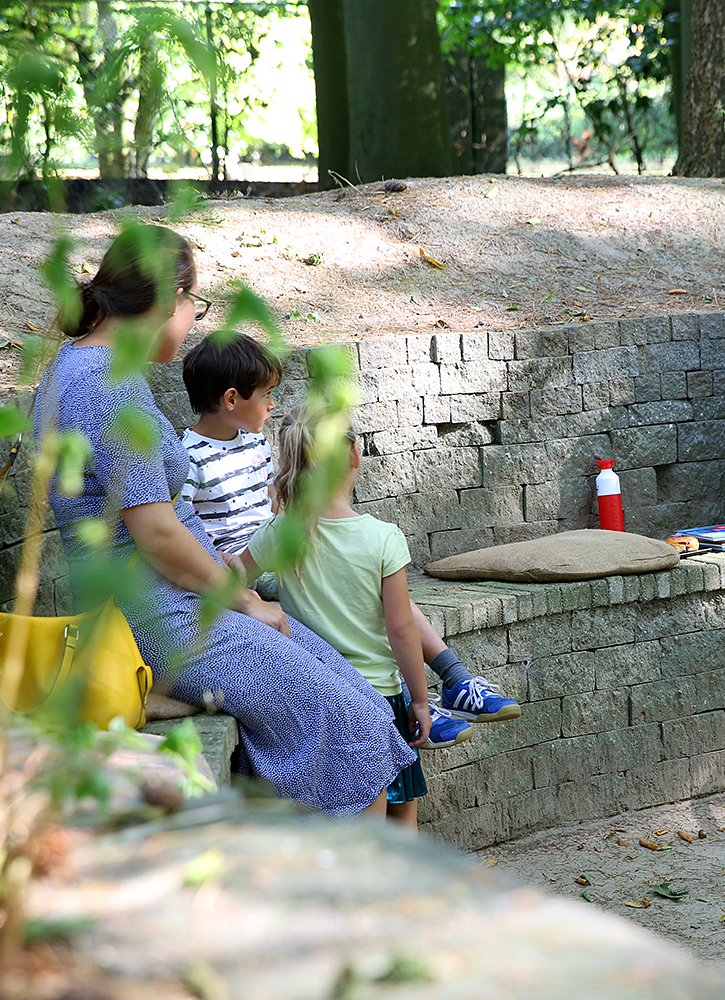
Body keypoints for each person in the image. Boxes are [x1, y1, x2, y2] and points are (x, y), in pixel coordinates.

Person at [33, 224, 417, 813]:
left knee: (354, 695)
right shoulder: (105, 387)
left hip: (177, 603)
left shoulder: (90, 368)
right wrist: (243, 602)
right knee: (352, 724)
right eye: (195, 301)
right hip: (162, 617)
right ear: (168, 300)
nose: (194, 318)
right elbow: (156, 532)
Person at [177, 333, 519, 745]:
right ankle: (420, 702)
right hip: (242, 567)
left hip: (280, 549)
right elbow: (181, 526)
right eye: (266, 394)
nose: (272, 404)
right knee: (375, 603)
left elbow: (275, 496)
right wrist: (222, 566)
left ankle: (454, 680)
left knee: (386, 598)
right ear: (232, 399)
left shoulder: (253, 442)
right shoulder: (187, 456)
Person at [236, 407, 434, 831]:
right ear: (355, 455)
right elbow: (402, 629)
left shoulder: (282, 533)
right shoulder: (383, 539)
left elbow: (234, 580)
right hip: (380, 699)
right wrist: (419, 698)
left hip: (318, 695)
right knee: (401, 812)